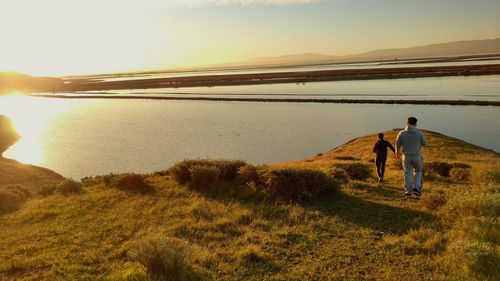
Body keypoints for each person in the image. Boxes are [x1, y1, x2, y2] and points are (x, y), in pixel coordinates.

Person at [395, 117, 428, 198]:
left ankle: (408, 192)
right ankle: (416, 189)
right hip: (417, 156)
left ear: (407, 123)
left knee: (408, 173)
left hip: (406, 156)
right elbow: (425, 144)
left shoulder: (401, 133)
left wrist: (397, 153)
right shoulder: (419, 133)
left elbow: (397, 144)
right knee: (418, 172)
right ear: (415, 123)